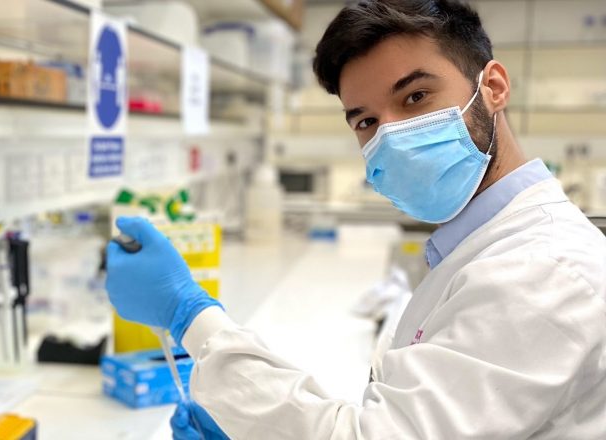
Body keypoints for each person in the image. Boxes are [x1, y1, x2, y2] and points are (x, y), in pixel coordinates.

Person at [105, 0, 606, 438]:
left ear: (493, 86)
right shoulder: (481, 244)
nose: (390, 135)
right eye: (365, 120)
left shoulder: (543, 271)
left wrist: (189, 315)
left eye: (415, 97)